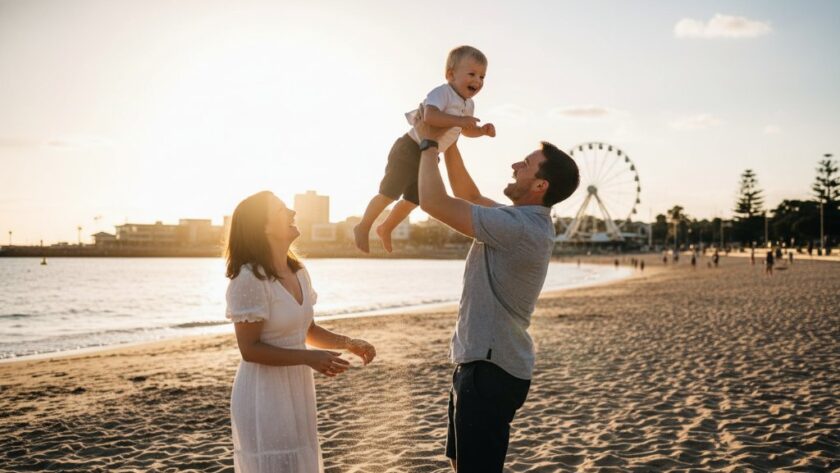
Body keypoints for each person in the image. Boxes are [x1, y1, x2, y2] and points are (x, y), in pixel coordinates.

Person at [414, 109, 580, 472]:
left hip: (490, 370)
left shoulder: (519, 228)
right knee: (463, 463)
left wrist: (428, 143)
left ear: (540, 186)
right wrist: (449, 135)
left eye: (526, 163)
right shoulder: (517, 220)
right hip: (479, 363)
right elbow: (467, 193)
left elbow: (434, 202)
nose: (515, 165)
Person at [225, 191, 377, 472]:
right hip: (264, 391)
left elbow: (308, 329)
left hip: (296, 385)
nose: (293, 213)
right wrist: (308, 358)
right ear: (263, 227)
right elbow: (250, 350)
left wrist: (349, 343)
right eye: (283, 210)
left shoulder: (299, 273)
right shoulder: (249, 279)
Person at [353, 45, 496, 253]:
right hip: (410, 148)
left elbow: (464, 130)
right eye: (472, 74)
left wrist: (481, 131)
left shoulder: (469, 105)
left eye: (482, 77)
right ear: (450, 75)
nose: (477, 81)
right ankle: (363, 225)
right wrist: (460, 120)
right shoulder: (442, 93)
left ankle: (386, 227)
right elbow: (430, 116)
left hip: (429, 155)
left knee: (415, 199)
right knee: (390, 192)